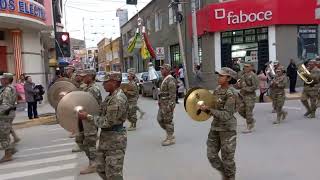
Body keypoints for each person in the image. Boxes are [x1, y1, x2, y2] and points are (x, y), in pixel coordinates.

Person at [78, 72, 128, 180]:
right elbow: (100, 111)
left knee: (114, 174)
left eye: (106, 82)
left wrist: (88, 117)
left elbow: (108, 122)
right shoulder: (110, 97)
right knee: (101, 168)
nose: (103, 85)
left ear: (114, 83)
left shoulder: (117, 99)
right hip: (106, 138)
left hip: (115, 140)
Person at [199, 67, 237, 180]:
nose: (218, 77)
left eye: (221, 76)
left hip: (227, 130)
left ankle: (230, 177)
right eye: (218, 75)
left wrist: (209, 110)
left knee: (227, 159)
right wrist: (203, 107)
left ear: (229, 78)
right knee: (211, 155)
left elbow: (226, 115)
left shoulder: (231, 93)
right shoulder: (217, 90)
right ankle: (225, 174)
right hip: (215, 128)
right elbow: (213, 108)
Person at [77, 69, 102, 174]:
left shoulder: (93, 89)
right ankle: (95, 161)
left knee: (90, 143)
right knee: (80, 140)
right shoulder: (87, 87)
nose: (83, 77)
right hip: (84, 118)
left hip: (90, 119)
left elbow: (90, 104)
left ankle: (94, 164)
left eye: (85, 76)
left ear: (91, 77)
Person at [236, 63, 259, 133]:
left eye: (247, 67)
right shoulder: (243, 76)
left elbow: (255, 86)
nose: (245, 68)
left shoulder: (253, 75)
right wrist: (238, 85)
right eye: (245, 67)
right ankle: (251, 120)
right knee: (240, 110)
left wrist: (246, 89)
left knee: (248, 111)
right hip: (243, 96)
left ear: (251, 68)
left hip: (250, 96)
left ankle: (249, 126)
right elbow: (241, 86)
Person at [157, 64, 177, 146]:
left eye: (162, 69)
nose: (161, 70)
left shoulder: (170, 80)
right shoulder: (164, 79)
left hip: (167, 104)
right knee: (160, 119)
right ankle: (170, 133)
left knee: (167, 121)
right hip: (162, 103)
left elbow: (173, 95)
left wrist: (170, 106)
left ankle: (170, 138)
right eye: (161, 69)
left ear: (167, 70)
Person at [0, 73, 17, 163]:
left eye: (2, 79)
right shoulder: (9, 88)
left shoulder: (7, 90)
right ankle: (11, 149)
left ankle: (8, 155)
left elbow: (5, 105)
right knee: (5, 133)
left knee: (3, 135)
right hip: (8, 113)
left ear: (6, 80)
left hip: (5, 114)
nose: (1, 80)